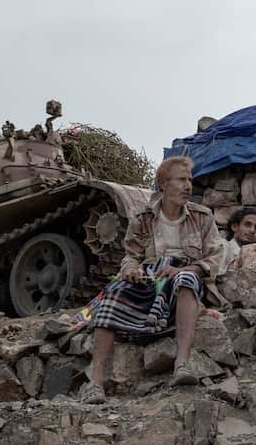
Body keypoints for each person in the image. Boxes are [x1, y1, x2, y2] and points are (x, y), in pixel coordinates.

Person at [81, 156, 225, 403]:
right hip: (151, 280)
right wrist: (132, 270)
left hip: (186, 276)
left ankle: (182, 365)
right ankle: (95, 383)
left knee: (185, 280)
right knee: (112, 294)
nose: (188, 186)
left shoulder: (203, 217)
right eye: (181, 179)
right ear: (163, 184)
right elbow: (130, 256)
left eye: (189, 180)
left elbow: (215, 258)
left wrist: (184, 269)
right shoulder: (143, 217)